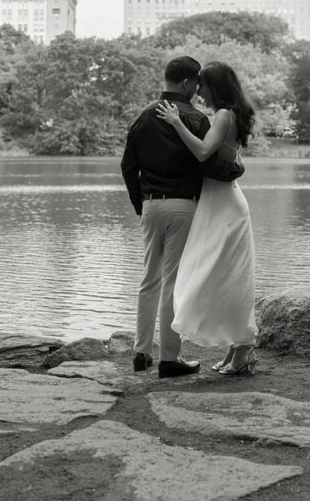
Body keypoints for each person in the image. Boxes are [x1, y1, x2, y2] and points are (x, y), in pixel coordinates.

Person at [156, 60, 257, 376]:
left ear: (215, 87)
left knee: (224, 277)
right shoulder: (229, 115)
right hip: (219, 201)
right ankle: (237, 347)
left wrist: (176, 122)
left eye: (203, 84)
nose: (198, 89)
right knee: (222, 277)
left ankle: (243, 347)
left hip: (225, 206)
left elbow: (202, 152)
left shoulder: (225, 115)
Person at [120, 55, 208, 379]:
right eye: (197, 84)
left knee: (148, 280)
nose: (198, 90)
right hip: (183, 206)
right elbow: (208, 167)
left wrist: (139, 203)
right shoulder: (195, 118)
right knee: (172, 282)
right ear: (188, 83)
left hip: (151, 205)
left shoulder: (142, 116)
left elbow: (127, 167)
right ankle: (170, 358)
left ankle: (141, 353)